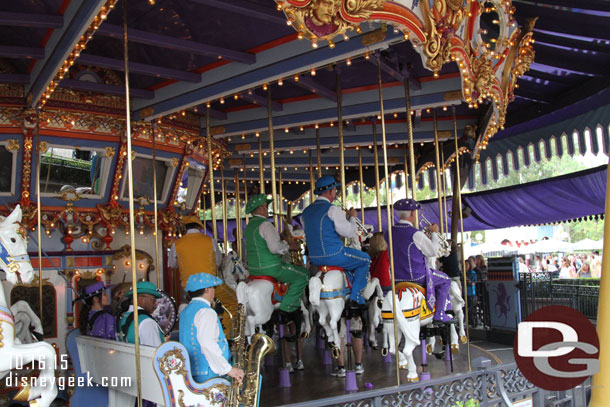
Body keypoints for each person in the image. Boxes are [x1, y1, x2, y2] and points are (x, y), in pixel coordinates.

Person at [301, 176, 371, 310]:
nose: (336, 193)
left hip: (315, 258)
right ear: (330, 191)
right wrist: (352, 218)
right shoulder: (332, 209)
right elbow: (349, 233)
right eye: (335, 190)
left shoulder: (306, 212)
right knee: (365, 260)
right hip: (334, 254)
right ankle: (355, 297)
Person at [244, 194, 309, 324]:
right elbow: (275, 248)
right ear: (260, 208)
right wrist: (289, 246)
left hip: (254, 270)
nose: (267, 208)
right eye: (265, 206)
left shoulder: (249, 226)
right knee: (303, 275)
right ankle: (287, 307)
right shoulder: (266, 225)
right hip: (271, 268)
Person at [389, 198, 452, 323]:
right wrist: (434, 233)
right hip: (417, 277)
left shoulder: (389, 232)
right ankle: (439, 313)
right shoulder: (415, 234)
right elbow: (433, 251)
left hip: (396, 278)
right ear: (412, 213)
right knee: (446, 280)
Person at [179, 273, 245, 384]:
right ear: (207, 289)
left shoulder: (185, 311)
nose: (214, 292)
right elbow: (207, 343)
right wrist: (228, 369)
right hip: (210, 375)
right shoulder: (206, 312)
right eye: (214, 288)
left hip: (192, 373)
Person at [168, 214, 222, 287]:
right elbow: (218, 262)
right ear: (199, 227)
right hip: (209, 282)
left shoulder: (177, 244)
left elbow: (172, 264)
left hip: (188, 284)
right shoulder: (210, 241)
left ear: (185, 228)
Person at [118, 281, 164, 347]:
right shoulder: (147, 322)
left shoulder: (122, 317)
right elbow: (156, 352)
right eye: (153, 300)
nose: (156, 304)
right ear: (141, 300)